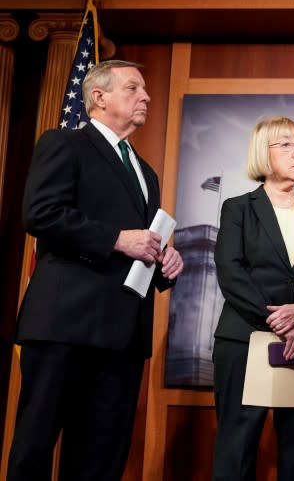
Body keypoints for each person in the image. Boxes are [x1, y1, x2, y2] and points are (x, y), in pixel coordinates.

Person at [8, 60, 184, 480]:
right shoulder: (65, 144)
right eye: (133, 88)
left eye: (145, 91)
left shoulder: (146, 172)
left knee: (101, 460)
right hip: (64, 325)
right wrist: (117, 239)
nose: (145, 97)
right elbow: (41, 214)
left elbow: (140, 244)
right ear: (99, 97)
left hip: (122, 335)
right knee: (35, 447)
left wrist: (165, 264)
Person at [212, 116, 294, 481]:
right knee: (236, 450)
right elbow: (231, 272)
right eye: (285, 144)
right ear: (262, 152)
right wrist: (279, 322)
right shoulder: (238, 208)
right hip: (246, 339)